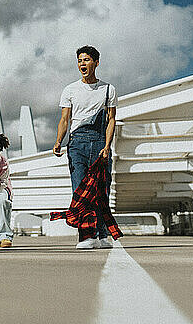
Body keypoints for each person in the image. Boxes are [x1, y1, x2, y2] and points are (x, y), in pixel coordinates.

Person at [52, 45, 118, 249]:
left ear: (96, 63)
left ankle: (101, 234)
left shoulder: (108, 89)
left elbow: (111, 119)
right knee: (80, 190)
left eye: (87, 60)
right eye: (80, 60)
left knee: (101, 189)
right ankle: (87, 236)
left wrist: (107, 146)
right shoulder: (70, 89)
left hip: (99, 141)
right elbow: (65, 119)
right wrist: (58, 141)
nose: (83, 64)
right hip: (77, 143)